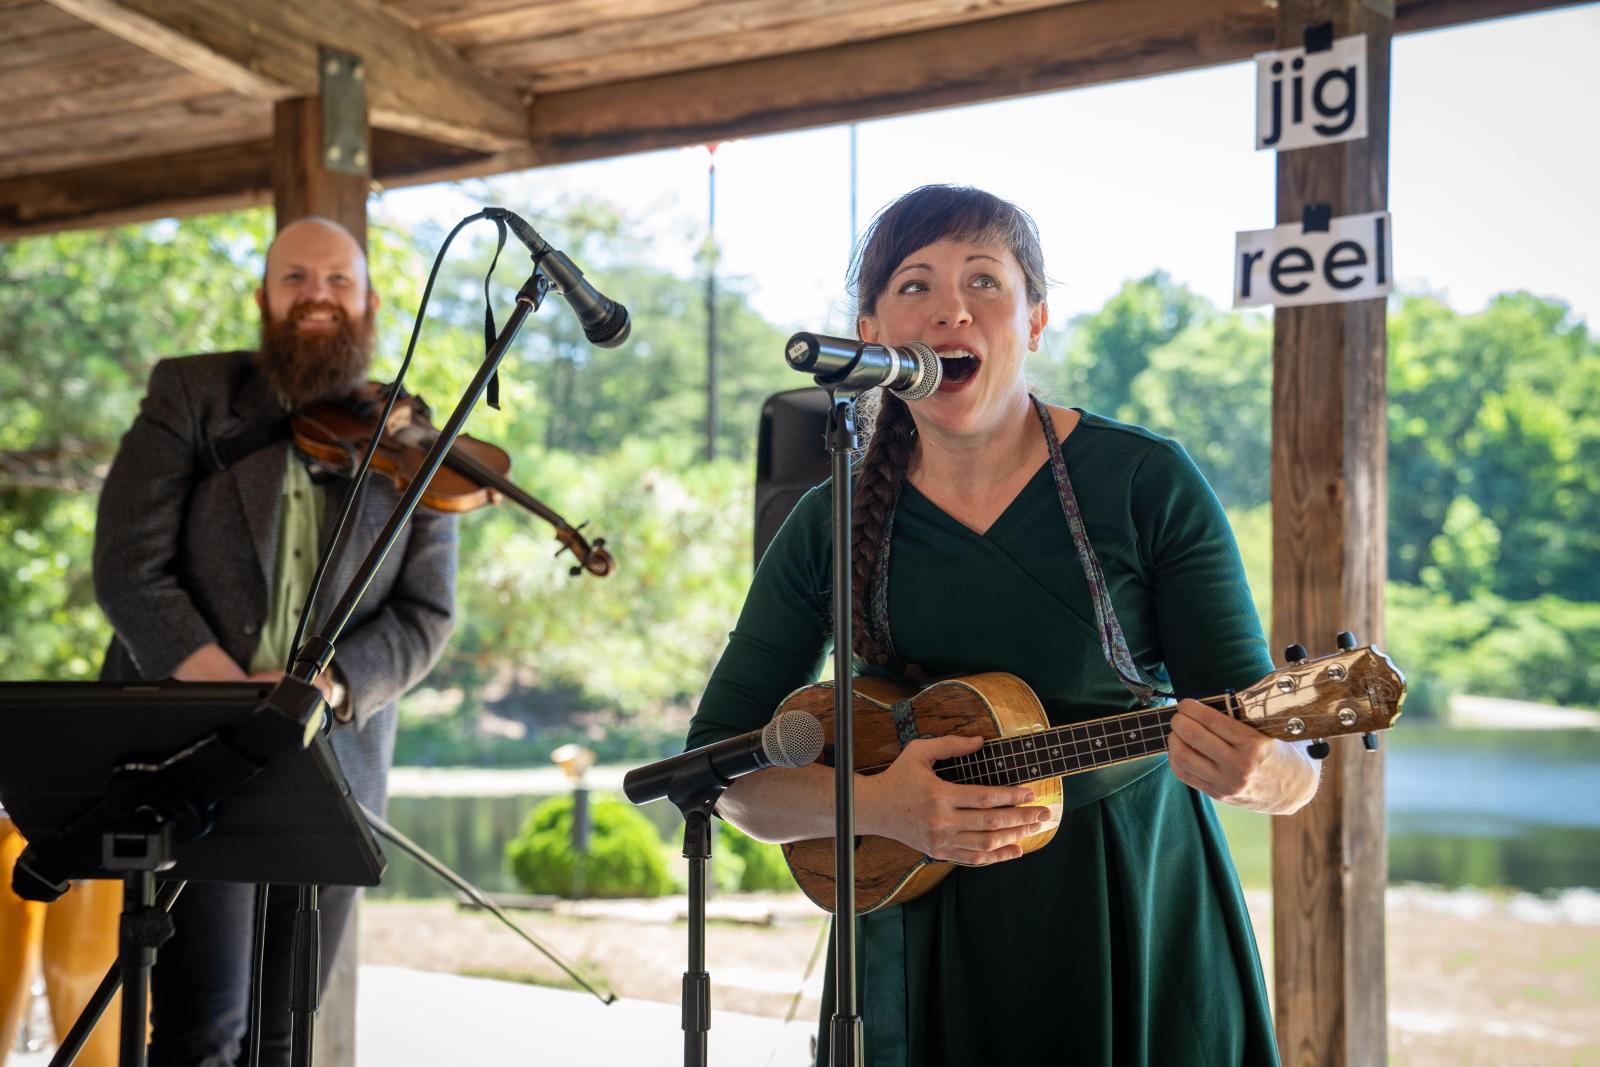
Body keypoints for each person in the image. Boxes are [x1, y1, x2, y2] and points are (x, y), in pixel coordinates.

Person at [686, 185, 1319, 1066]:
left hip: (1126, 909)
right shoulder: (827, 520)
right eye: (916, 286)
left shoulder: (1146, 483)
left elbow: (1286, 763)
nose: (951, 308)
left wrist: (1267, 775)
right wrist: (882, 807)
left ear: (1033, 322)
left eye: (985, 281)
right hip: (913, 933)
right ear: (871, 336)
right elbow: (724, 768)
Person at [93, 216, 458, 1066]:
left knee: (284, 1034)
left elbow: (425, 615)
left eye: (337, 281)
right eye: (296, 279)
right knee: (200, 1030)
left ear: (369, 302)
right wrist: (227, 692)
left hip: (331, 759)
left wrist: (326, 690)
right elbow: (126, 567)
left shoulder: (411, 432)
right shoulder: (193, 394)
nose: (317, 297)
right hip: (196, 748)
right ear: (264, 297)